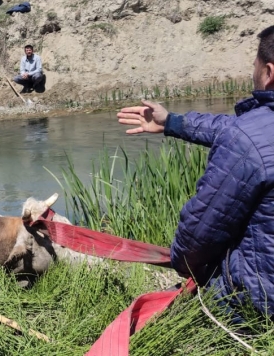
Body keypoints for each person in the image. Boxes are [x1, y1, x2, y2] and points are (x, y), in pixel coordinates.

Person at [116, 25, 274, 322]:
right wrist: (172, 123)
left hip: (259, 305)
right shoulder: (250, 135)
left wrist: (185, 264)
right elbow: (245, 133)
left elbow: (195, 244)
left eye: (253, 66)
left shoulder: (247, 139)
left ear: (268, 72)